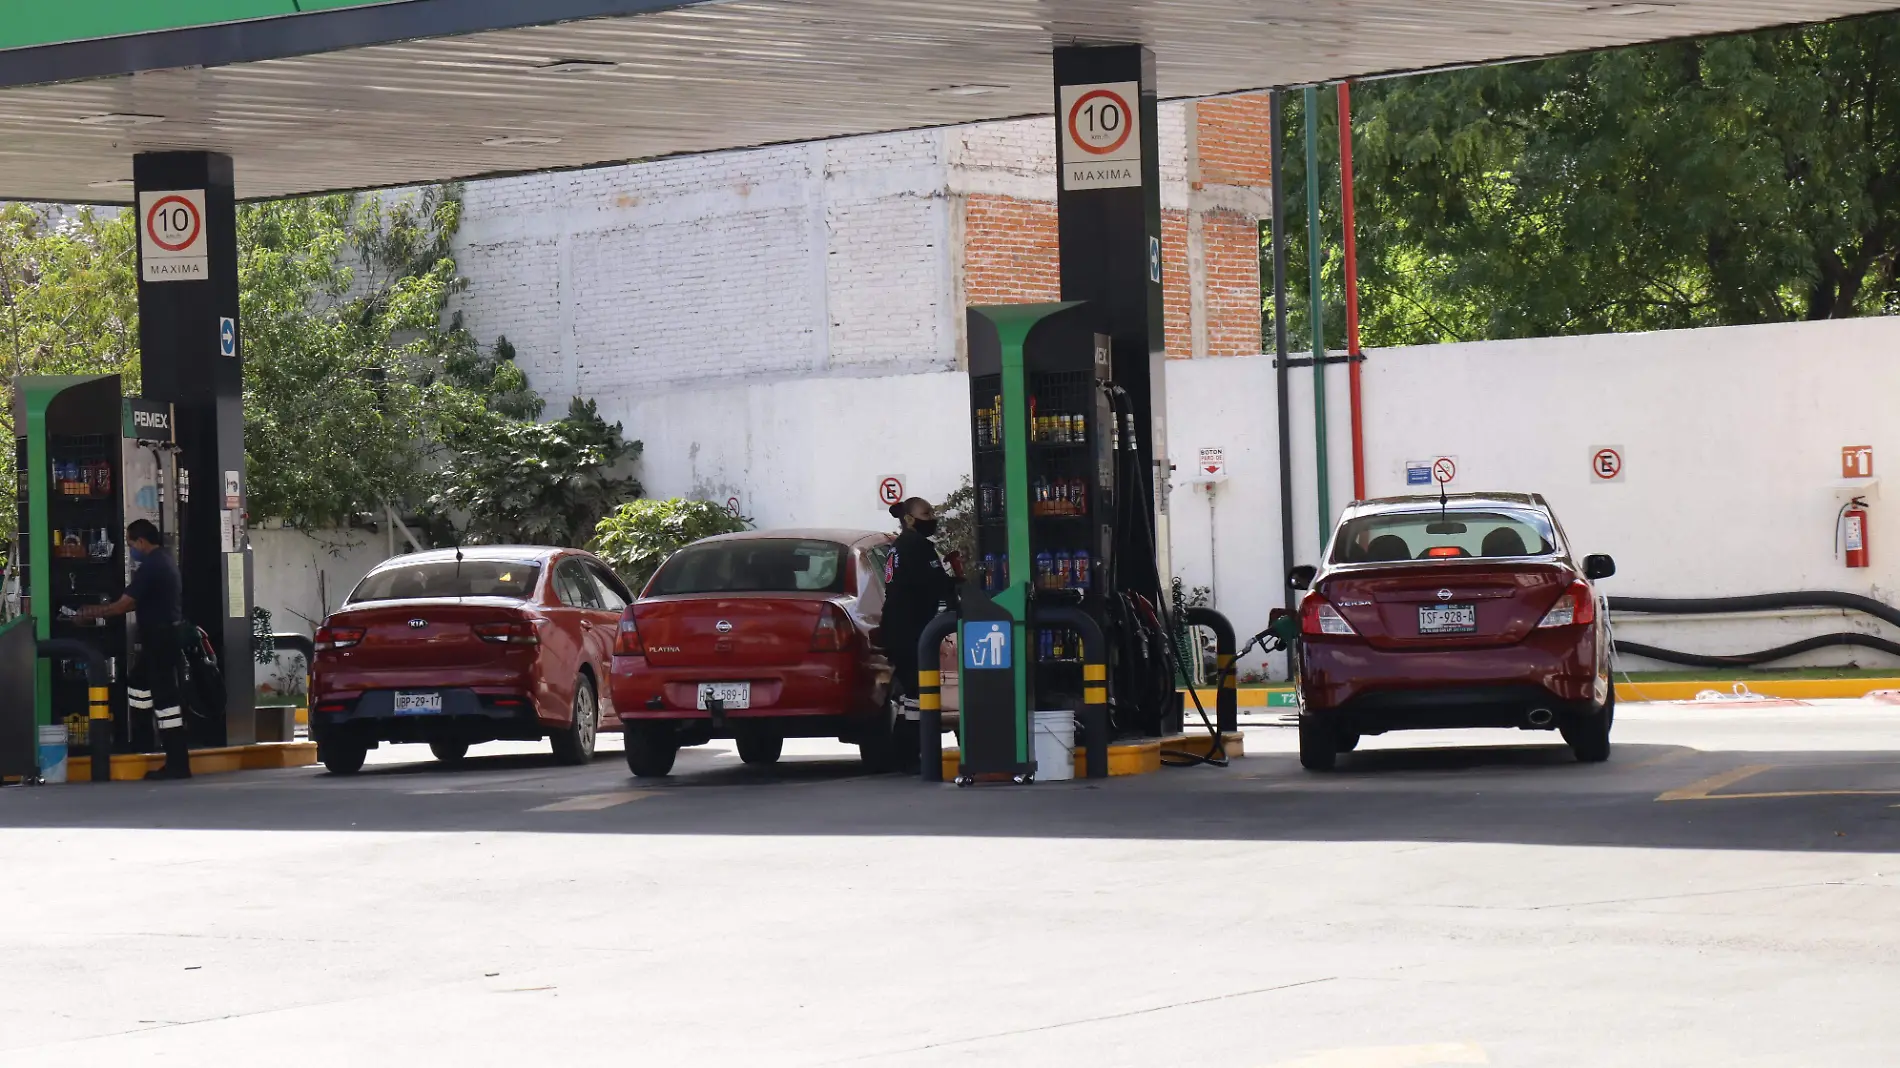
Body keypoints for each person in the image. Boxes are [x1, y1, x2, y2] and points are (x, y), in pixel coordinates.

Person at [79, 520, 191, 780]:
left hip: (160, 639)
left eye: (131, 544)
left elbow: (122, 606)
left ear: (141, 542)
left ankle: (177, 763)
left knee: (165, 702)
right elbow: (133, 603)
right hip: (162, 638)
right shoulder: (164, 560)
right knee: (138, 683)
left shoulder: (152, 566)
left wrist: (92, 612)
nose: (131, 550)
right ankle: (142, 740)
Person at [881, 497, 959, 732]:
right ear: (909, 519)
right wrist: (958, 584)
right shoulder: (917, 546)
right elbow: (936, 583)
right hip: (910, 629)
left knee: (909, 694)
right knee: (917, 692)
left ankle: (906, 750)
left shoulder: (898, 546)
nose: (933, 519)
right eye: (927, 514)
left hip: (896, 628)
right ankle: (913, 749)